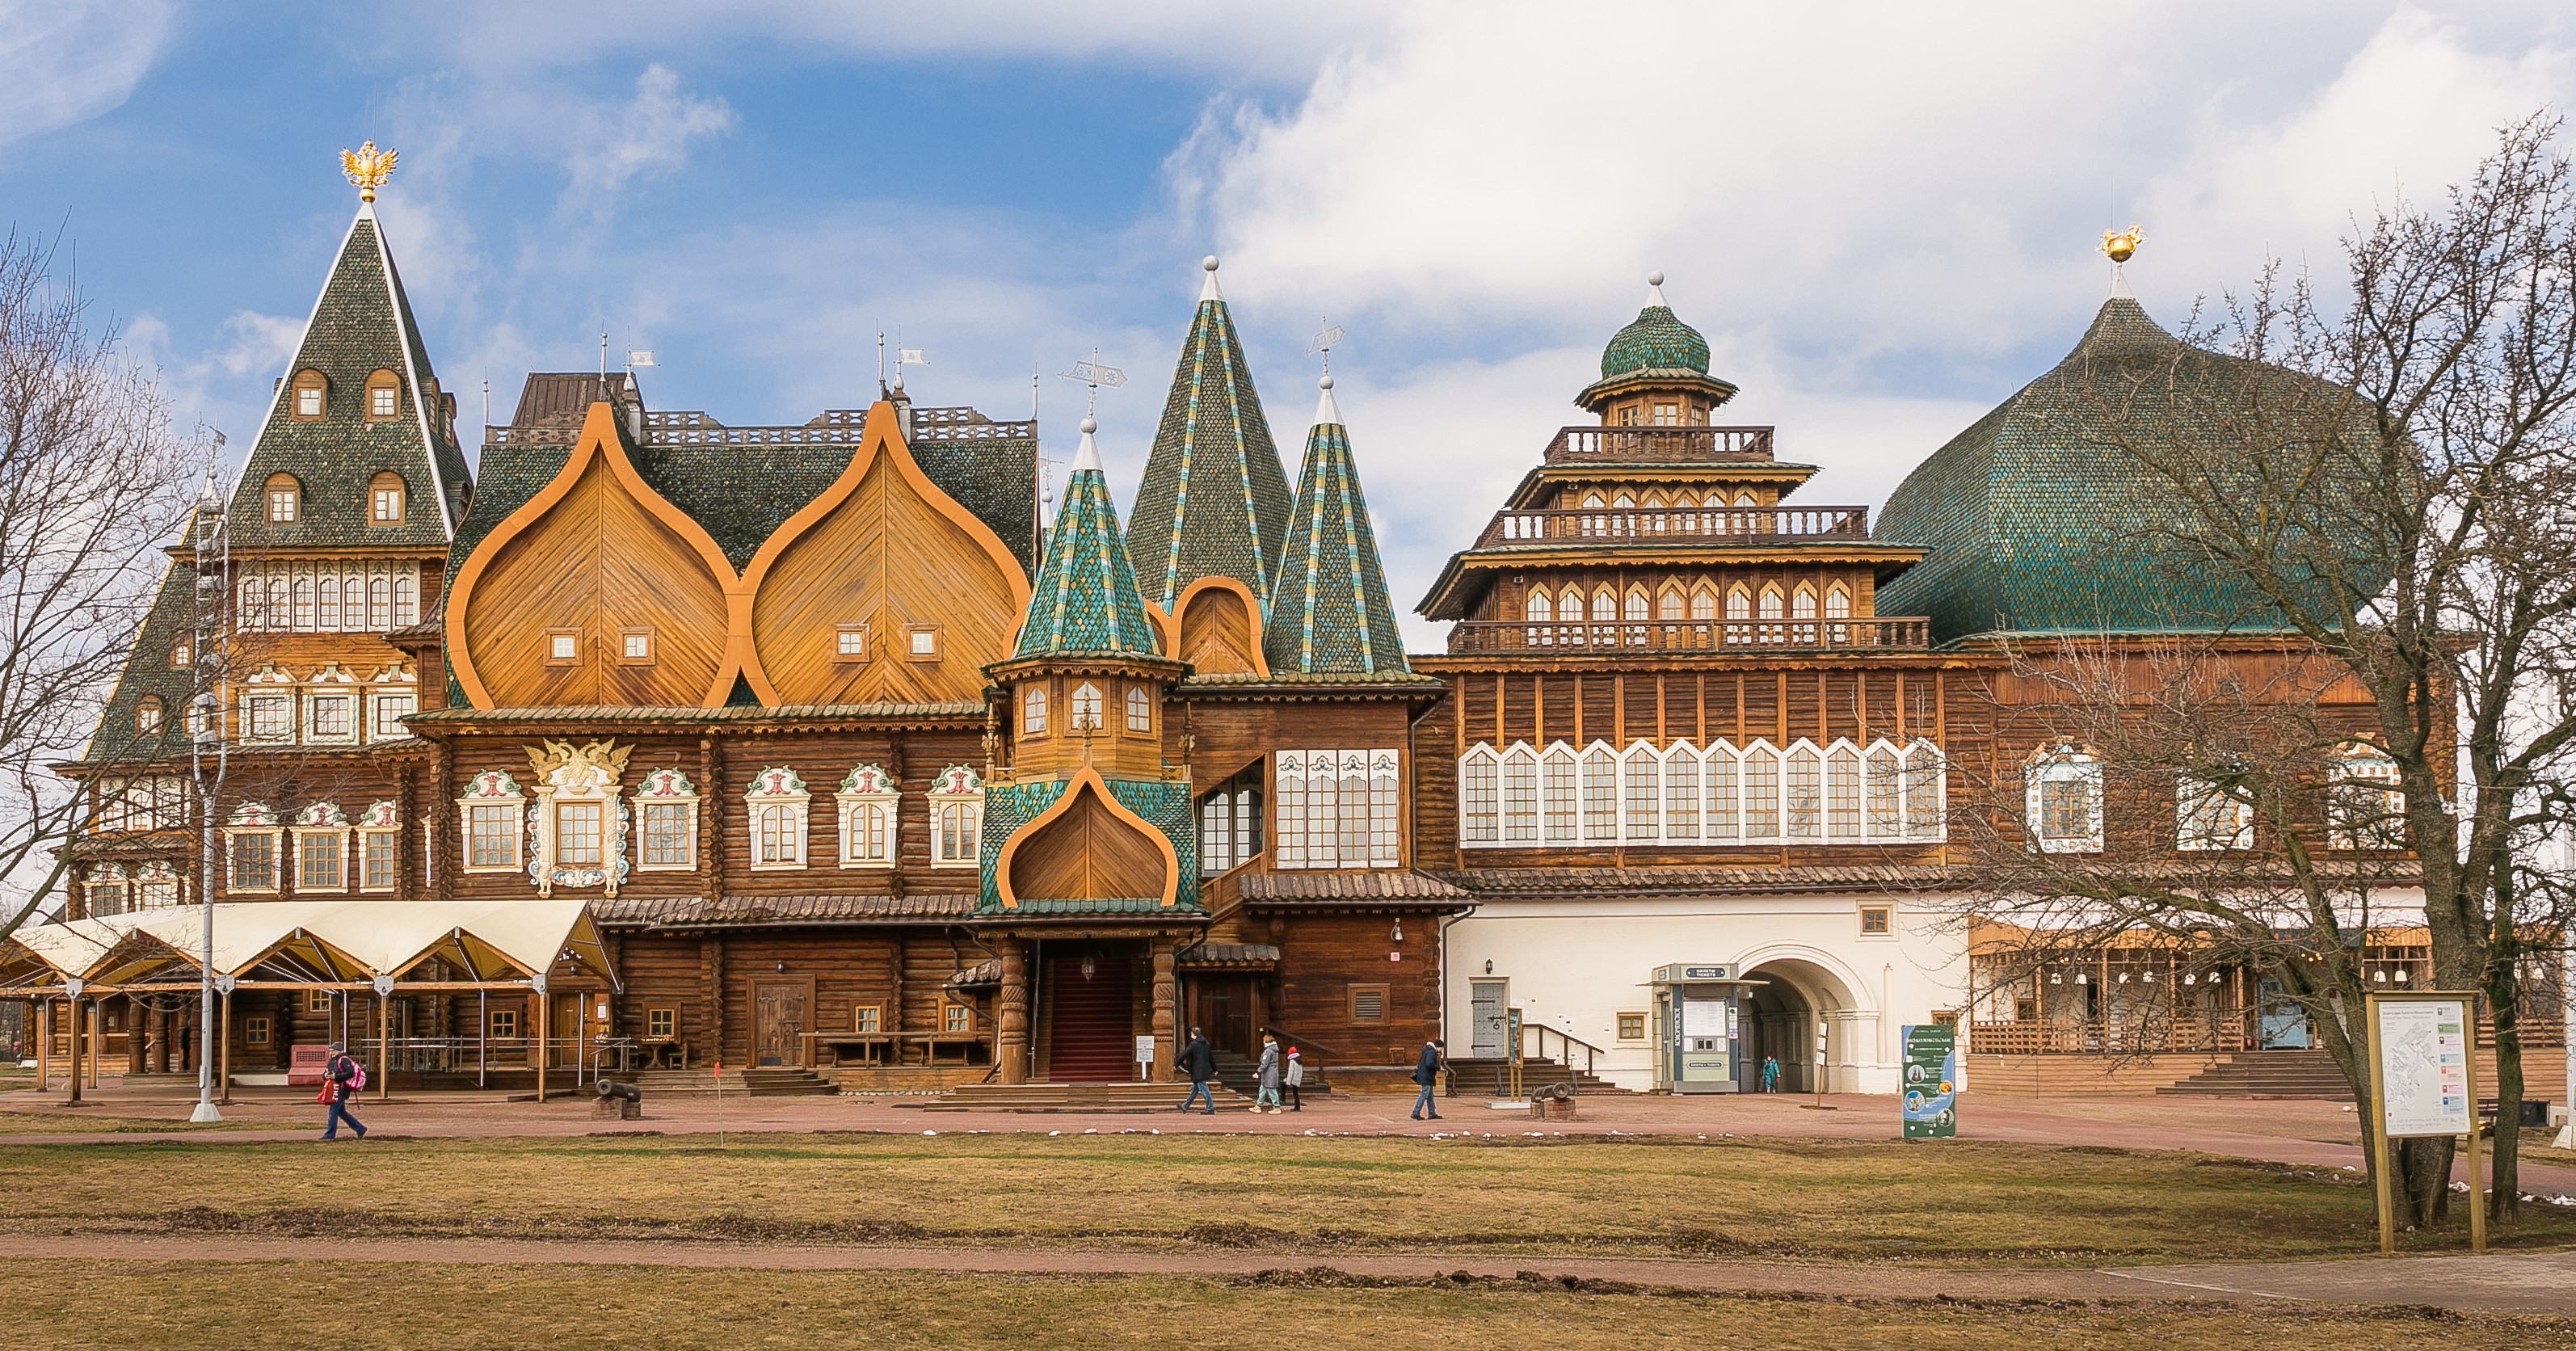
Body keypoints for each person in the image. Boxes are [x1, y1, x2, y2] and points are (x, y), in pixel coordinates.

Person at [319, 1042, 366, 1140]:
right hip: (334, 1089)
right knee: (341, 1112)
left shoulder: (344, 1060)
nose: (331, 1053)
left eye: (333, 1051)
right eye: (330, 1051)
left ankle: (329, 1136)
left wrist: (336, 1076)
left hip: (341, 1089)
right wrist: (325, 1076)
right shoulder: (332, 1061)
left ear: (339, 1051)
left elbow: (350, 1073)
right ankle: (360, 1128)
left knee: (333, 1112)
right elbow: (325, 1073)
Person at [1174, 1026, 1218, 1114]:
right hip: (1204, 1070)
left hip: (1197, 1071)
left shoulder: (1194, 1045)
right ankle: (1185, 1106)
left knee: (1204, 1090)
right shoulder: (1206, 1044)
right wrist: (1214, 1069)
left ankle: (1210, 1108)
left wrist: (1176, 1064)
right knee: (1195, 1090)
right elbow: (1211, 1058)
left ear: (1193, 1034)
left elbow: (1183, 1055)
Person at [1410, 1037, 1446, 1121]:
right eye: (1441, 1048)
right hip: (1426, 1076)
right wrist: (1439, 1067)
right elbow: (1429, 1064)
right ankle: (1415, 1113)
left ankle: (1432, 1113)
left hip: (1425, 1076)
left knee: (1429, 1096)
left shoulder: (1428, 1050)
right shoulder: (1431, 1052)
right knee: (1424, 1094)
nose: (1441, 1050)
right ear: (1438, 1046)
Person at [1252, 1033, 1283, 1113]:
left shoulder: (1268, 1051)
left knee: (1271, 1090)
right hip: (1270, 1073)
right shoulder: (1274, 1050)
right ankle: (1258, 1106)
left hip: (1269, 1074)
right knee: (1262, 1090)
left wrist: (1258, 1072)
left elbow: (1265, 1064)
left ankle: (1277, 1107)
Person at [1282, 1044, 1305, 1112]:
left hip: (1293, 1079)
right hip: (1297, 1079)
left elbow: (1290, 1072)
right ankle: (1297, 1107)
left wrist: (1288, 1082)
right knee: (1295, 1093)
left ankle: (1282, 1100)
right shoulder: (1299, 1061)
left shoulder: (1292, 1061)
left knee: (1282, 1086)